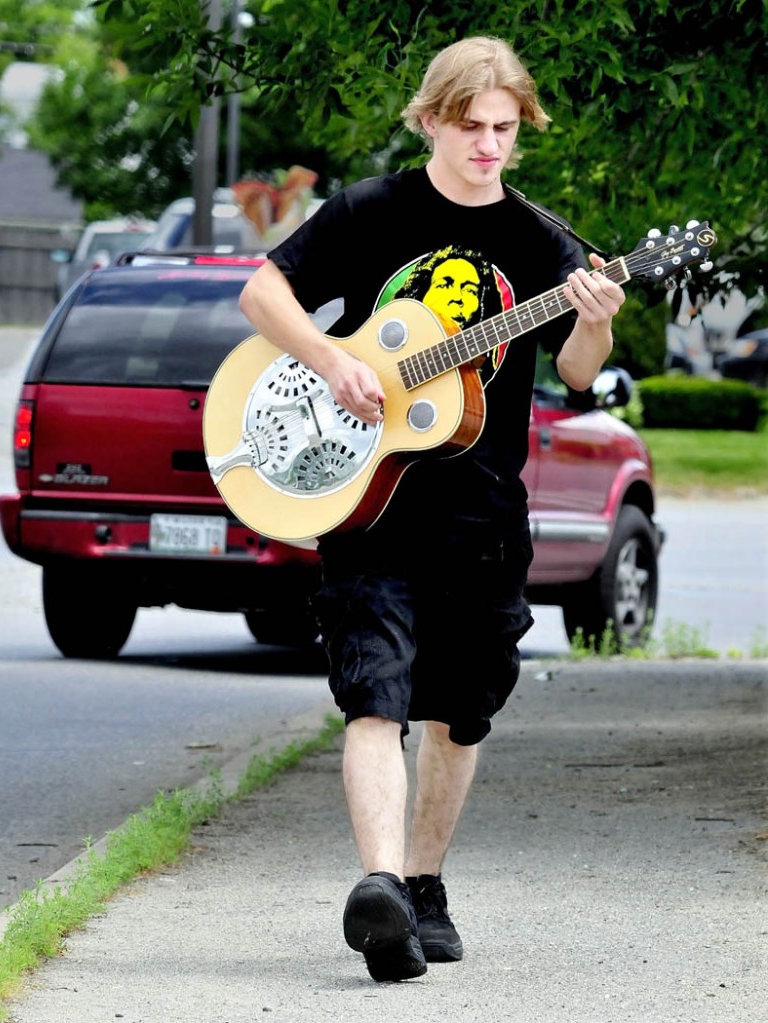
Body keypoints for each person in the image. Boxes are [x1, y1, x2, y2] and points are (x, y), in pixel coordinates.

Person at [239, 35, 625, 982]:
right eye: (471, 127)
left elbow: (577, 374)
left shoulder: (542, 242)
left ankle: (422, 885)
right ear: (431, 120)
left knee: (460, 708)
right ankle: (376, 883)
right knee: (374, 693)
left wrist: (596, 316)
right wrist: (334, 360)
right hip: (368, 500)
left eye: (503, 130)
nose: (488, 145)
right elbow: (263, 290)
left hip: (484, 509)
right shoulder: (372, 213)